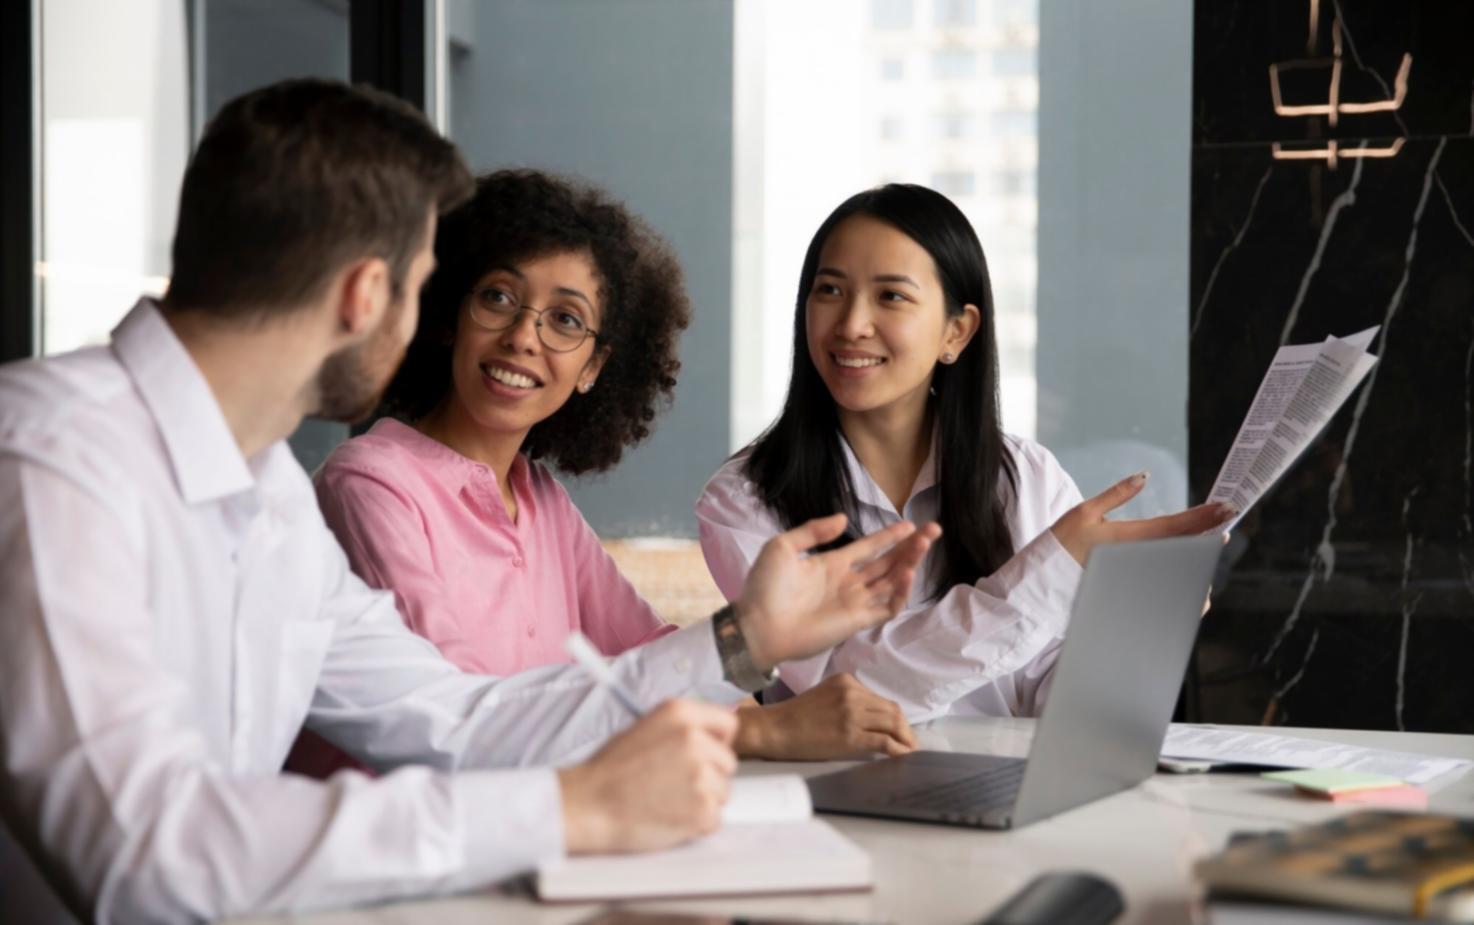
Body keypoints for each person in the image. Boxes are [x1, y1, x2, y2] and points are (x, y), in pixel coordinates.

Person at [0, 80, 937, 924]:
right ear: (371, 293)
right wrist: (571, 810)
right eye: (429, 288)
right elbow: (140, 850)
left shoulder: (268, 493)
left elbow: (455, 718)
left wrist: (745, 639)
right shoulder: (49, 459)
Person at [285, 170, 916, 780]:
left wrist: (769, 697)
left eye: (565, 319)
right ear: (451, 316)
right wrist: (761, 727)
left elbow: (646, 648)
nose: (523, 337)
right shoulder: (370, 483)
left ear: (593, 367)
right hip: (404, 854)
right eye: (499, 298)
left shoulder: (540, 499)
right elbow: (468, 718)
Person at [696, 183, 1231, 723]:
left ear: (957, 331)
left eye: (891, 296)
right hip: (836, 797)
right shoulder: (746, 498)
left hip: (1004, 793)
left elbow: (1057, 705)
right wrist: (1045, 576)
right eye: (830, 290)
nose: (852, 324)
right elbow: (855, 691)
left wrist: (1144, 631)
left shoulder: (1026, 477)